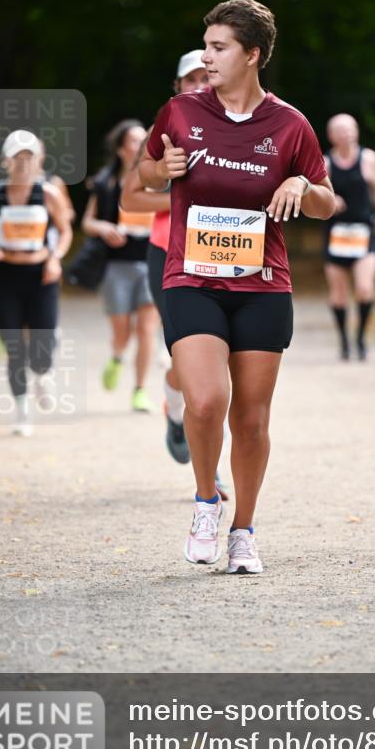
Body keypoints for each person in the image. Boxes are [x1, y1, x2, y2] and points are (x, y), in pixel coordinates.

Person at [137, 0, 336, 574]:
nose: (207, 56)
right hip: (190, 278)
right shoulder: (180, 110)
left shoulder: (290, 124)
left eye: (219, 46)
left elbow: (327, 201)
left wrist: (302, 182)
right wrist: (160, 171)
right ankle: (206, 502)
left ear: (252, 55)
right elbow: (146, 170)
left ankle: (243, 530)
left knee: (251, 420)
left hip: (262, 285)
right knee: (205, 399)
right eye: (207, 45)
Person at [121, 50, 230, 499]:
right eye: (191, 78)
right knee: (191, 367)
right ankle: (177, 408)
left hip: (225, 256)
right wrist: (178, 198)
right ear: (178, 85)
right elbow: (131, 199)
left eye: (207, 76)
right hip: (170, 256)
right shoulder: (165, 129)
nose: (200, 84)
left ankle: (208, 460)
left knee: (222, 368)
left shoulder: (241, 126)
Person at [0, 129, 72, 436]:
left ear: (39, 160)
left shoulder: (48, 194)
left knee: (41, 346)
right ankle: (22, 411)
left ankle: (43, 371)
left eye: (29, 156)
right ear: (6, 161)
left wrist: (55, 258)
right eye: (18, 157)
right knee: (14, 347)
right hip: (6, 276)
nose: (24, 163)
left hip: (41, 276)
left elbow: (65, 231)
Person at [82, 120, 159, 413]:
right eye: (133, 142)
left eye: (143, 140)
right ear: (120, 148)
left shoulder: (157, 177)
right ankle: (116, 356)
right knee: (122, 333)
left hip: (150, 261)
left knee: (147, 330)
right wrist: (104, 228)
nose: (140, 147)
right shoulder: (106, 182)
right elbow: (87, 222)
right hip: (117, 267)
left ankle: (139, 390)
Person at [323, 113, 375, 360]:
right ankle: (343, 340)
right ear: (331, 136)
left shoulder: (369, 159)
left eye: (351, 128)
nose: (347, 134)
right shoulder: (325, 163)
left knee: (365, 288)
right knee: (339, 293)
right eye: (341, 130)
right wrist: (330, 200)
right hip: (337, 234)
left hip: (364, 231)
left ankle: (361, 337)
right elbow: (316, 195)